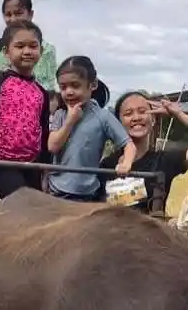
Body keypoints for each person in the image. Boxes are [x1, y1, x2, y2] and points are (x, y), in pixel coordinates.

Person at [100, 91, 188, 213]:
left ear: (153, 120)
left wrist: (179, 114)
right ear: (118, 123)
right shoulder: (106, 165)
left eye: (142, 111)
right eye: (128, 114)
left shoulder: (164, 161)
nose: (136, 118)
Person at [0, 19, 52, 198]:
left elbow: (44, 131)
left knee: (36, 207)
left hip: (32, 164)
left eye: (33, 46)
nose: (27, 51)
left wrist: (45, 166)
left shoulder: (41, 92)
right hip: (1, 163)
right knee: (21, 203)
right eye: (20, 46)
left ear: (41, 50)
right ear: (7, 52)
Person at [45, 56, 135, 201]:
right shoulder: (60, 114)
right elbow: (52, 146)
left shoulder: (103, 116)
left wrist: (126, 164)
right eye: (63, 87)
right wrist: (70, 121)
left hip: (86, 194)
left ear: (92, 85)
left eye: (75, 85)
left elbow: (128, 145)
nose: (69, 92)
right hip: (56, 192)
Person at [0, 0, 59, 91]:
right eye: (8, 14)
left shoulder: (47, 49)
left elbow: (48, 86)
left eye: (18, 13)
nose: (13, 19)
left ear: (30, 14)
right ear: (6, 52)